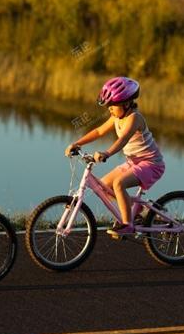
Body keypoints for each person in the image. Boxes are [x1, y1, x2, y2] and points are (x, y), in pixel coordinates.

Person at [64, 77, 165, 236]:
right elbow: (99, 131)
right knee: (104, 187)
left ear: (126, 103)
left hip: (151, 164)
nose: (109, 109)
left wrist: (107, 153)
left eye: (113, 105)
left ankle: (127, 224)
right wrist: (77, 143)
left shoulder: (134, 118)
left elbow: (123, 139)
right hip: (133, 163)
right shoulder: (117, 117)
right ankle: (140, 209)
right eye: (108, 106)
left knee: (119, 183)